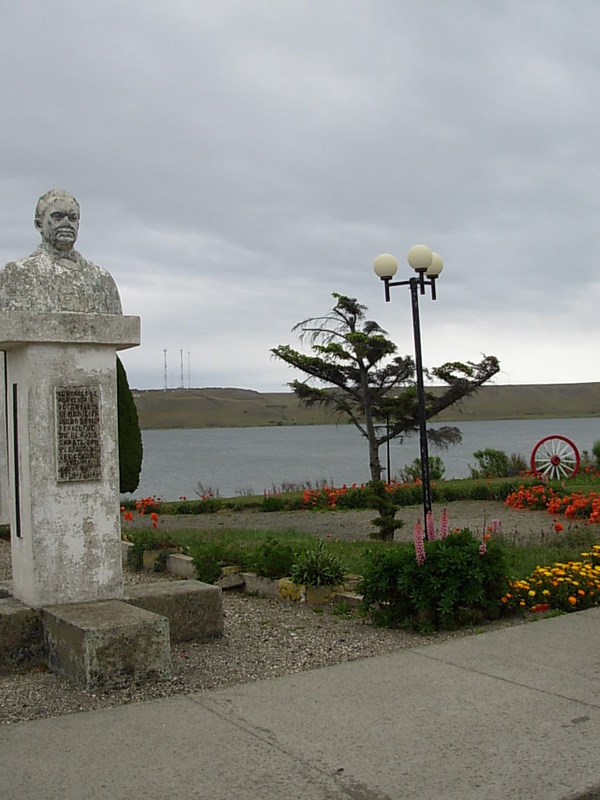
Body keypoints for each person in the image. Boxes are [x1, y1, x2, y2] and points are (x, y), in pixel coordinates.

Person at [0, 189, 123, 314]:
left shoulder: (103, 281)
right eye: (57, 217)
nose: (66, 223)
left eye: (72, 218)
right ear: (39, 225)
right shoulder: (15, 275)